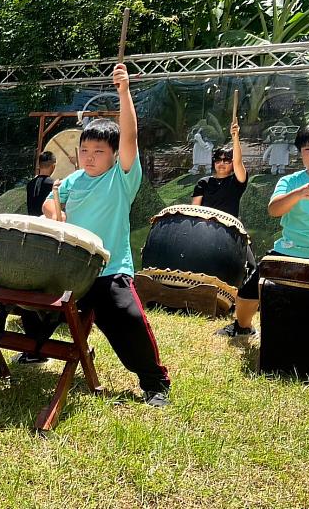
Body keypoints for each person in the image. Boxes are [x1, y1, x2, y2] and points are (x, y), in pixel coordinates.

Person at [23, 63, 171, 408]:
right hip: (71, 268)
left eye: (99, 152)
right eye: (85, 151)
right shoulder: (73, 180)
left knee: (128, 320)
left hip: (109, 268)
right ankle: (36, 351)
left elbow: (130, 135)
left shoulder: (121, 178)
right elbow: (49, 206)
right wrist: (56, 212)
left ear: (115, 155)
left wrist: (123, 91)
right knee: (33, 304)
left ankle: (155, 382)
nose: (89, 157)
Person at [217, 124, 309, 337]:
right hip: (290, 250)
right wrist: (297, 194)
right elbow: (274, 210)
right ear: (300, 153)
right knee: (247, 293)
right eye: (308, 149)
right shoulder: (290, 181)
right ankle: (242, 328)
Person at [191, 122, 247, 219]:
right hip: (205, 227)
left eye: (226, 161)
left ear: (232, 163)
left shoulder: (236, 181)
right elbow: (194, 209)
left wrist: (235, 138)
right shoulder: (203, 182)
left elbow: (238, 162)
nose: (221, 163)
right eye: (218, 160)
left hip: (228, 228)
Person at [26, 151, 57, 217]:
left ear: (39, 165)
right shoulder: (54, 185)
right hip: (46, 224)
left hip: (32, 223)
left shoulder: (30, 184)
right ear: (53, 166)